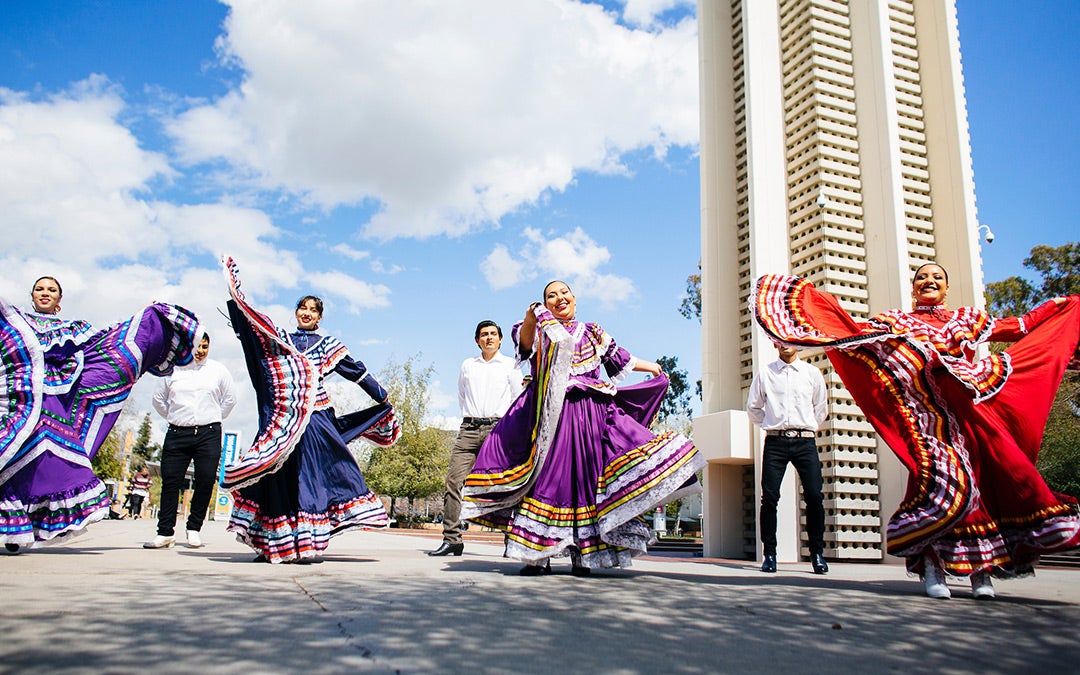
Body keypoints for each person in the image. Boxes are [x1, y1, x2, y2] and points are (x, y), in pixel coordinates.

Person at [752, 265, 1080, 599]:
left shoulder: (967, 319)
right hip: (927, 419)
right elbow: (854, 332)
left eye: (937, 277)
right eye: (922, 277)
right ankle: (933, 565)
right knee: (937, 483)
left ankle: (981, 573)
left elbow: (1018, 326)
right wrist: (810, 304)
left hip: (970, 412)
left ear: (947, 287)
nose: (930, 281)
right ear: (913, 288)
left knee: (982, 483)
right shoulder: (900, 321)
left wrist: (1064, 307)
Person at [461, 281, 704, 575]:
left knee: (586, 481)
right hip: (550, 415)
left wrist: (653, 367)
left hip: (590, 413)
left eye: (564, 293)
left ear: (574, 299)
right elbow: (525, 347)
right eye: (551, 296)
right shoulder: (540, 329)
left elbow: (621, 358)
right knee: (547, 478)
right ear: (545, 304)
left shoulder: (592, 332)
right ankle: (538, 555)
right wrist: (530, 317)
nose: (559, 298)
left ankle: (584, 554)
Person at [220, 257, 401, 564]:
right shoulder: (282, 340)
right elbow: (253, 334)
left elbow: (355, 370)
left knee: (310, 477)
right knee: (276, 477)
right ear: (296, 312)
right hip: (281, 419)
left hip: (315, 419)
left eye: (313, 310)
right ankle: (273, 544)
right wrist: (237, 301)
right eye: (302, 308)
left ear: (319, 317)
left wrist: (381, 395)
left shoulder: (329, 345)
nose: (306, 313)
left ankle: (306, 541)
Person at [0, 276, 199, 552]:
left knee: (45, 466)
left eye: (52, 290)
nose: (45, 293)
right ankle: (12, 527)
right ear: (32, 295)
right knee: (11, 459)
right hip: (16, 404)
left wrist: (141, 316)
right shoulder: (14, 324)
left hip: (55, 407)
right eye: (40, 289)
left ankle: (23, 527)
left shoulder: (72, 329)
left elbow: (107, 342)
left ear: (59, 300)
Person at [428, 320, 522, 557]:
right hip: (469, 429)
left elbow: (518, 399)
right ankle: (452, 539)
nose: (489, 338)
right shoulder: (468, 365)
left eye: (493, 334)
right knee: (453, 481)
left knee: (506, 485)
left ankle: (512, 540)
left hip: (499, 430)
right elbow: (461, 396)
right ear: (477, 340)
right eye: (483, 334)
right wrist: (471, 418)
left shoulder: (511, 365)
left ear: (500, 339)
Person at [144, 332, 237, 550]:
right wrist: (175, 417)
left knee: (205, 480)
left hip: (209, 433)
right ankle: (165, 532)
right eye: (197, 346)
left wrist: (212, 417)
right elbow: (158, 400)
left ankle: (194, 528)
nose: (200, 351)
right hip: (177, 433)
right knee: (170, 482)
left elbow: (230, 400)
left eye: (205, 346)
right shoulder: (172, 369)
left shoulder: (218, 370)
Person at [746, 342, 829, 575]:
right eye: (779, 340)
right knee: (769, 498)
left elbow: (820, 408)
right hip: (775, 442)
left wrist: (807, 427)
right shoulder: (766, 373)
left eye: (789, 340)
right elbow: (753, 408)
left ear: (797, 343)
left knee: (814, 496)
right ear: (773, 343)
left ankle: (817, 555)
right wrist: (771, 425)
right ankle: (770, 555)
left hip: (805, 442)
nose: (784, 345)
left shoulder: (812, 374)